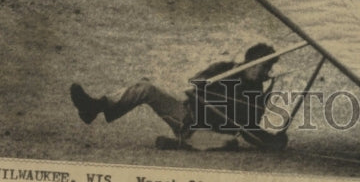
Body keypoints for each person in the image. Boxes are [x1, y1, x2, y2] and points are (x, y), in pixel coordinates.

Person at [69, 42, 288, 151]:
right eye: (261, 66)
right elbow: (193, 86)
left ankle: (180, 144)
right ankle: (96, 107)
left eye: (267, 67)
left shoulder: (256, 91)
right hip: (188, 118)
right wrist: (216, 84)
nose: (263, 72)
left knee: (229, 142)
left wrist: (270, 139)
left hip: (212, 133)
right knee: (145, 87)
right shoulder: (224, 68)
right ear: (248, 62)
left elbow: (249, 130)